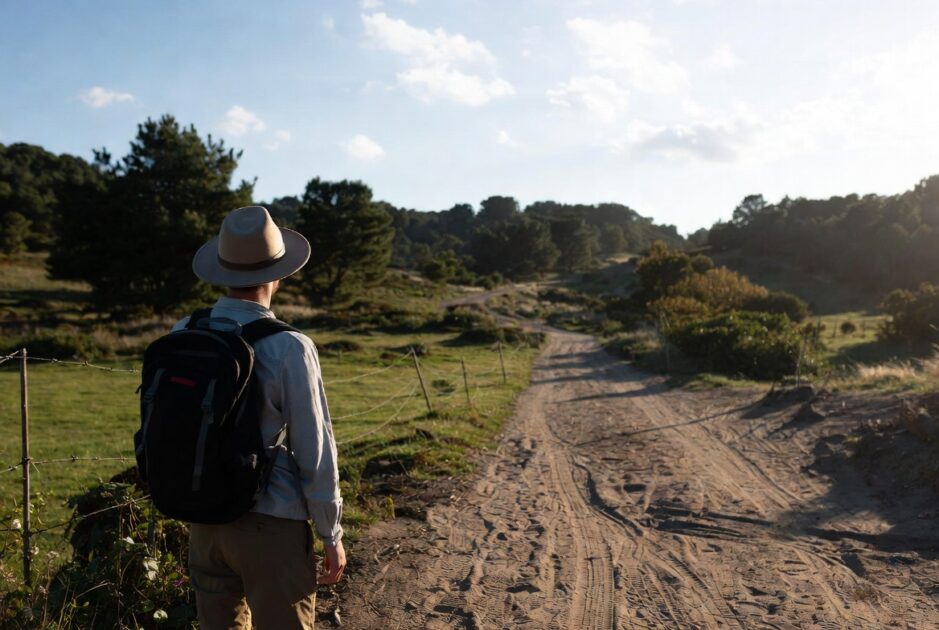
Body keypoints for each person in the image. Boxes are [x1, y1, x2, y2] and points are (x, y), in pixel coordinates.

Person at [178, 205, 345, 629]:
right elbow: (314, 449)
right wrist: (330, 533)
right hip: (271, 521)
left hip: (203, 519)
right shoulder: (290, 346)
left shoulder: (184, 331)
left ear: (222, 270)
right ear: (278, 275)